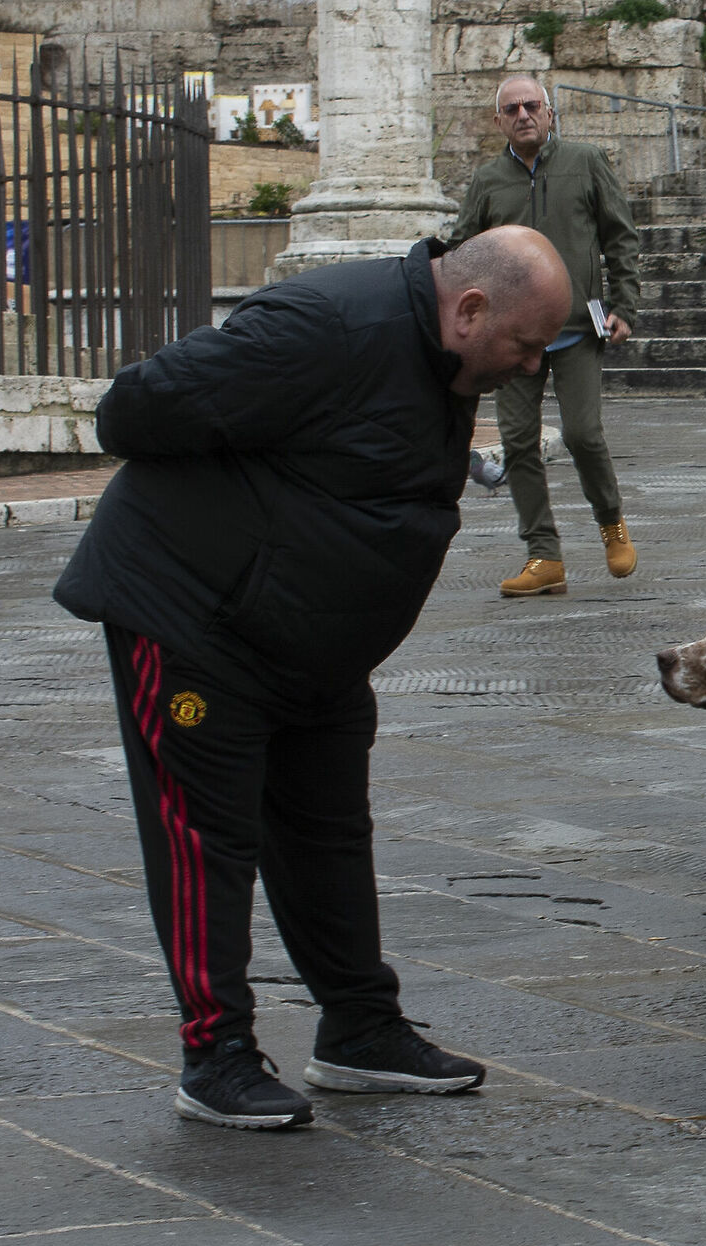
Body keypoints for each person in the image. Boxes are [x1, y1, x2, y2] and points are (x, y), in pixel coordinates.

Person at [53, 228, 573, 1129]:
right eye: (525, 346)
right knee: (205, 839)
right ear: (472, 308)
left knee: (329, 830)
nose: (529, 368)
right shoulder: (323, 326)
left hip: (313, 649)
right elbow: (132, 412)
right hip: (196, 624)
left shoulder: (441, 354)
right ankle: (214, 1054)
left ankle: (359, 1031)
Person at [451, 74, 642, 598]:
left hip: (578, 327)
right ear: (498, 122)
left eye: (532, 105)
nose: (522, 115)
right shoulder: (488, 179)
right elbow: (464, 250)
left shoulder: (585, 162)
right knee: (516, 443)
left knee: (583, 433)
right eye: (511, 109)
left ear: (550, 113)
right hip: (510, 337)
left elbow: (619, 236)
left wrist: (624, 305)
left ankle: (612, 525)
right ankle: (543, 556)